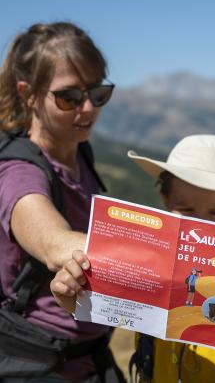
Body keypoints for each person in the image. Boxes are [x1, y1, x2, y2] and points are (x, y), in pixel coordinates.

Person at [51, 134, 215, 383]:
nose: (199, 224)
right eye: (187, 210)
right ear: (167, 200)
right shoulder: (146, 262)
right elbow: (109, 306)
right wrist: (74, 298)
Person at [0, 22, 124, 382]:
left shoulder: (79, 150)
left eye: (98, 93)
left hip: (88, 357)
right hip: (34, 362)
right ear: (28, 94)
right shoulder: (18, 172)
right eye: (68, 97)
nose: (87, 109)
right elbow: (55, 246)